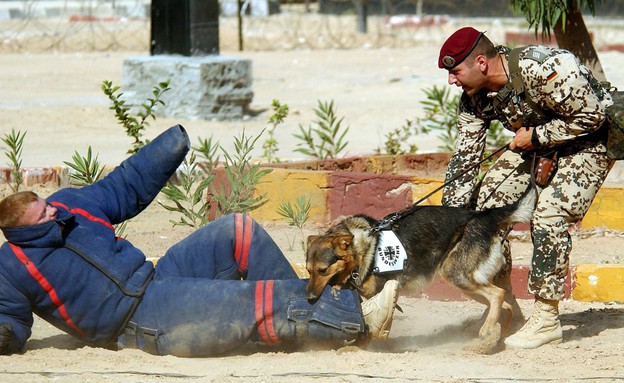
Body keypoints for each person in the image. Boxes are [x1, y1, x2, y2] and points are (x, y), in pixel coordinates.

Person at [0, 124, 399, 357]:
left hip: (156, 278)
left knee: (237, 231)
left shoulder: (69, 204)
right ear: (25, 230)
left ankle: (315, 320)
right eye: (44, 215)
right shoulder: (12, 266)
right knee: (249, 302)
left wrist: (172, 143)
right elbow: (10, 324)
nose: (55, 211)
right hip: (138, 321)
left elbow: (123, 186)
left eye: (48, 205)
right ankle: (355, 321)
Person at [437, 27, 614, 349]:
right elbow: (465, 158)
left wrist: (535, 138)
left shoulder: (549, 67)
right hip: (535, 144)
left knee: (549, 216)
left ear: (481, 62)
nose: (451, 80)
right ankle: (505, 310)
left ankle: (546, 319)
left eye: (455, 71)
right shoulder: (473, 99)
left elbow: (592, 116)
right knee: (482, 214)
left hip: (591, 141)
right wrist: (450, 215)